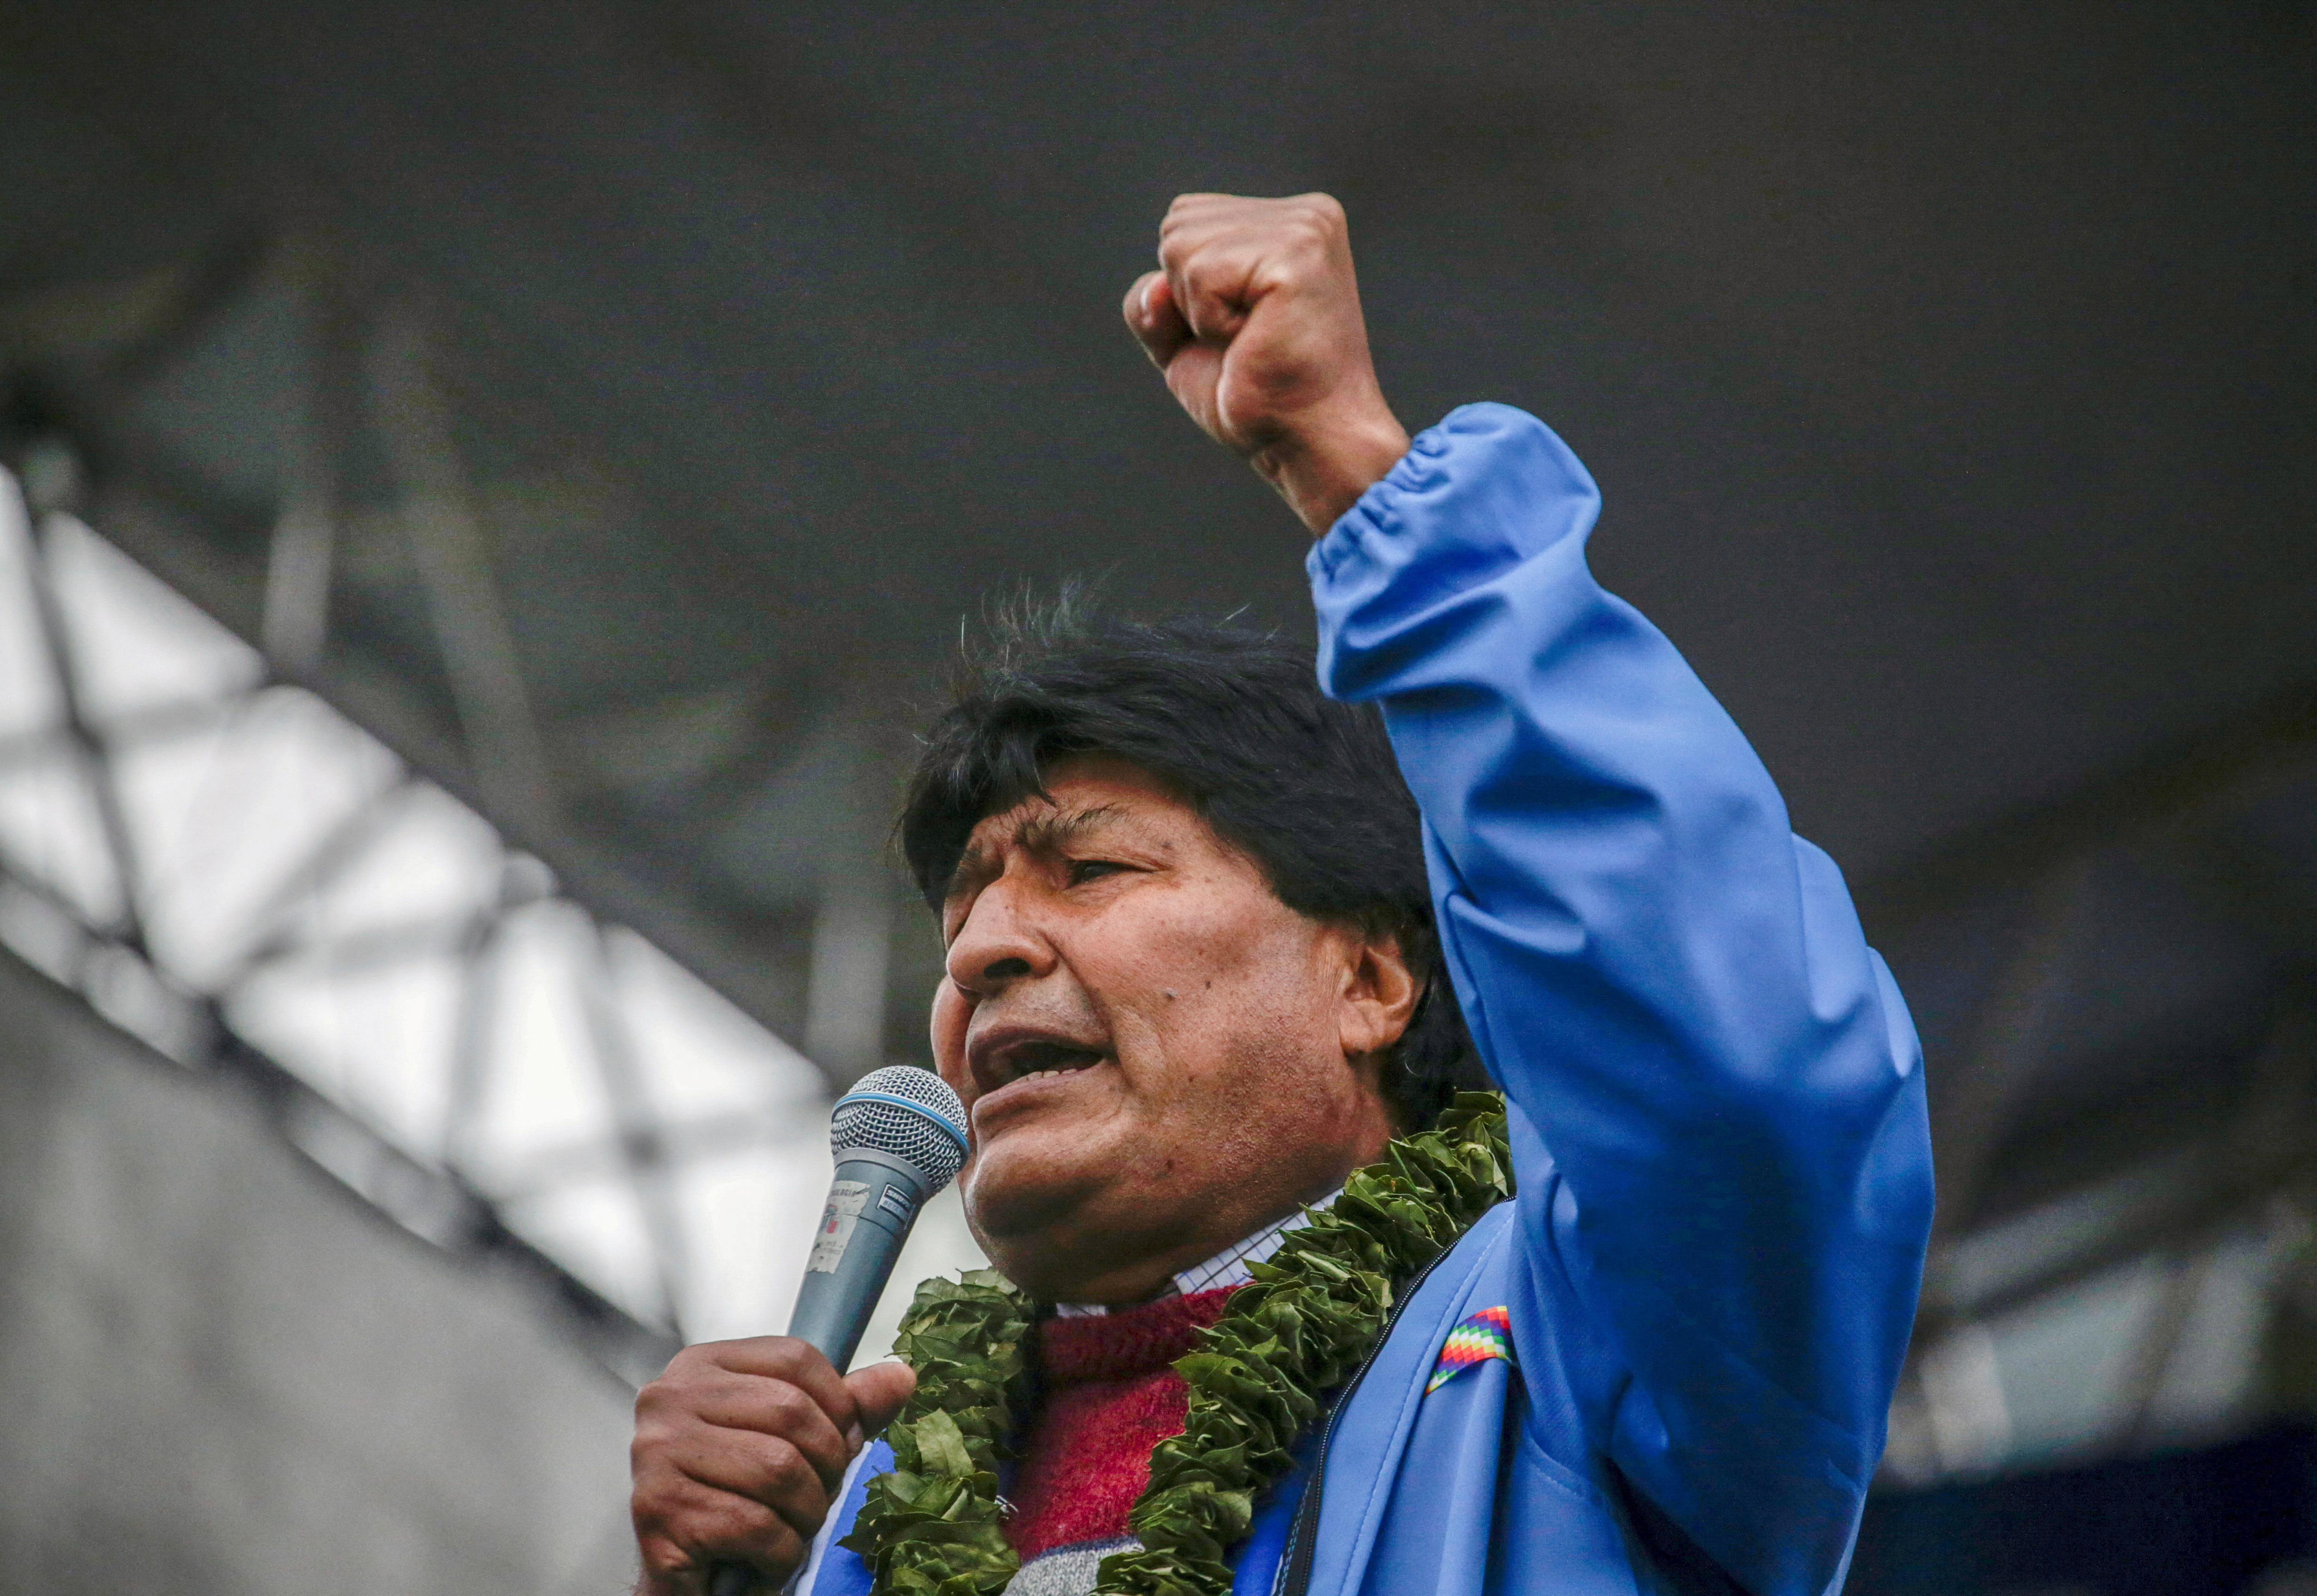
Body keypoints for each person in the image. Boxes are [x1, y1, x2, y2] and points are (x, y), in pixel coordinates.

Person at [628, 193, 1934, 1596]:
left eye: (1096, 870)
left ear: (1370, 979)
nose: (989, 952)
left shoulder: (1576, 1351)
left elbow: (1733, 1073)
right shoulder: (870, 1515)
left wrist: (1366, 488)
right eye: (962, 916)